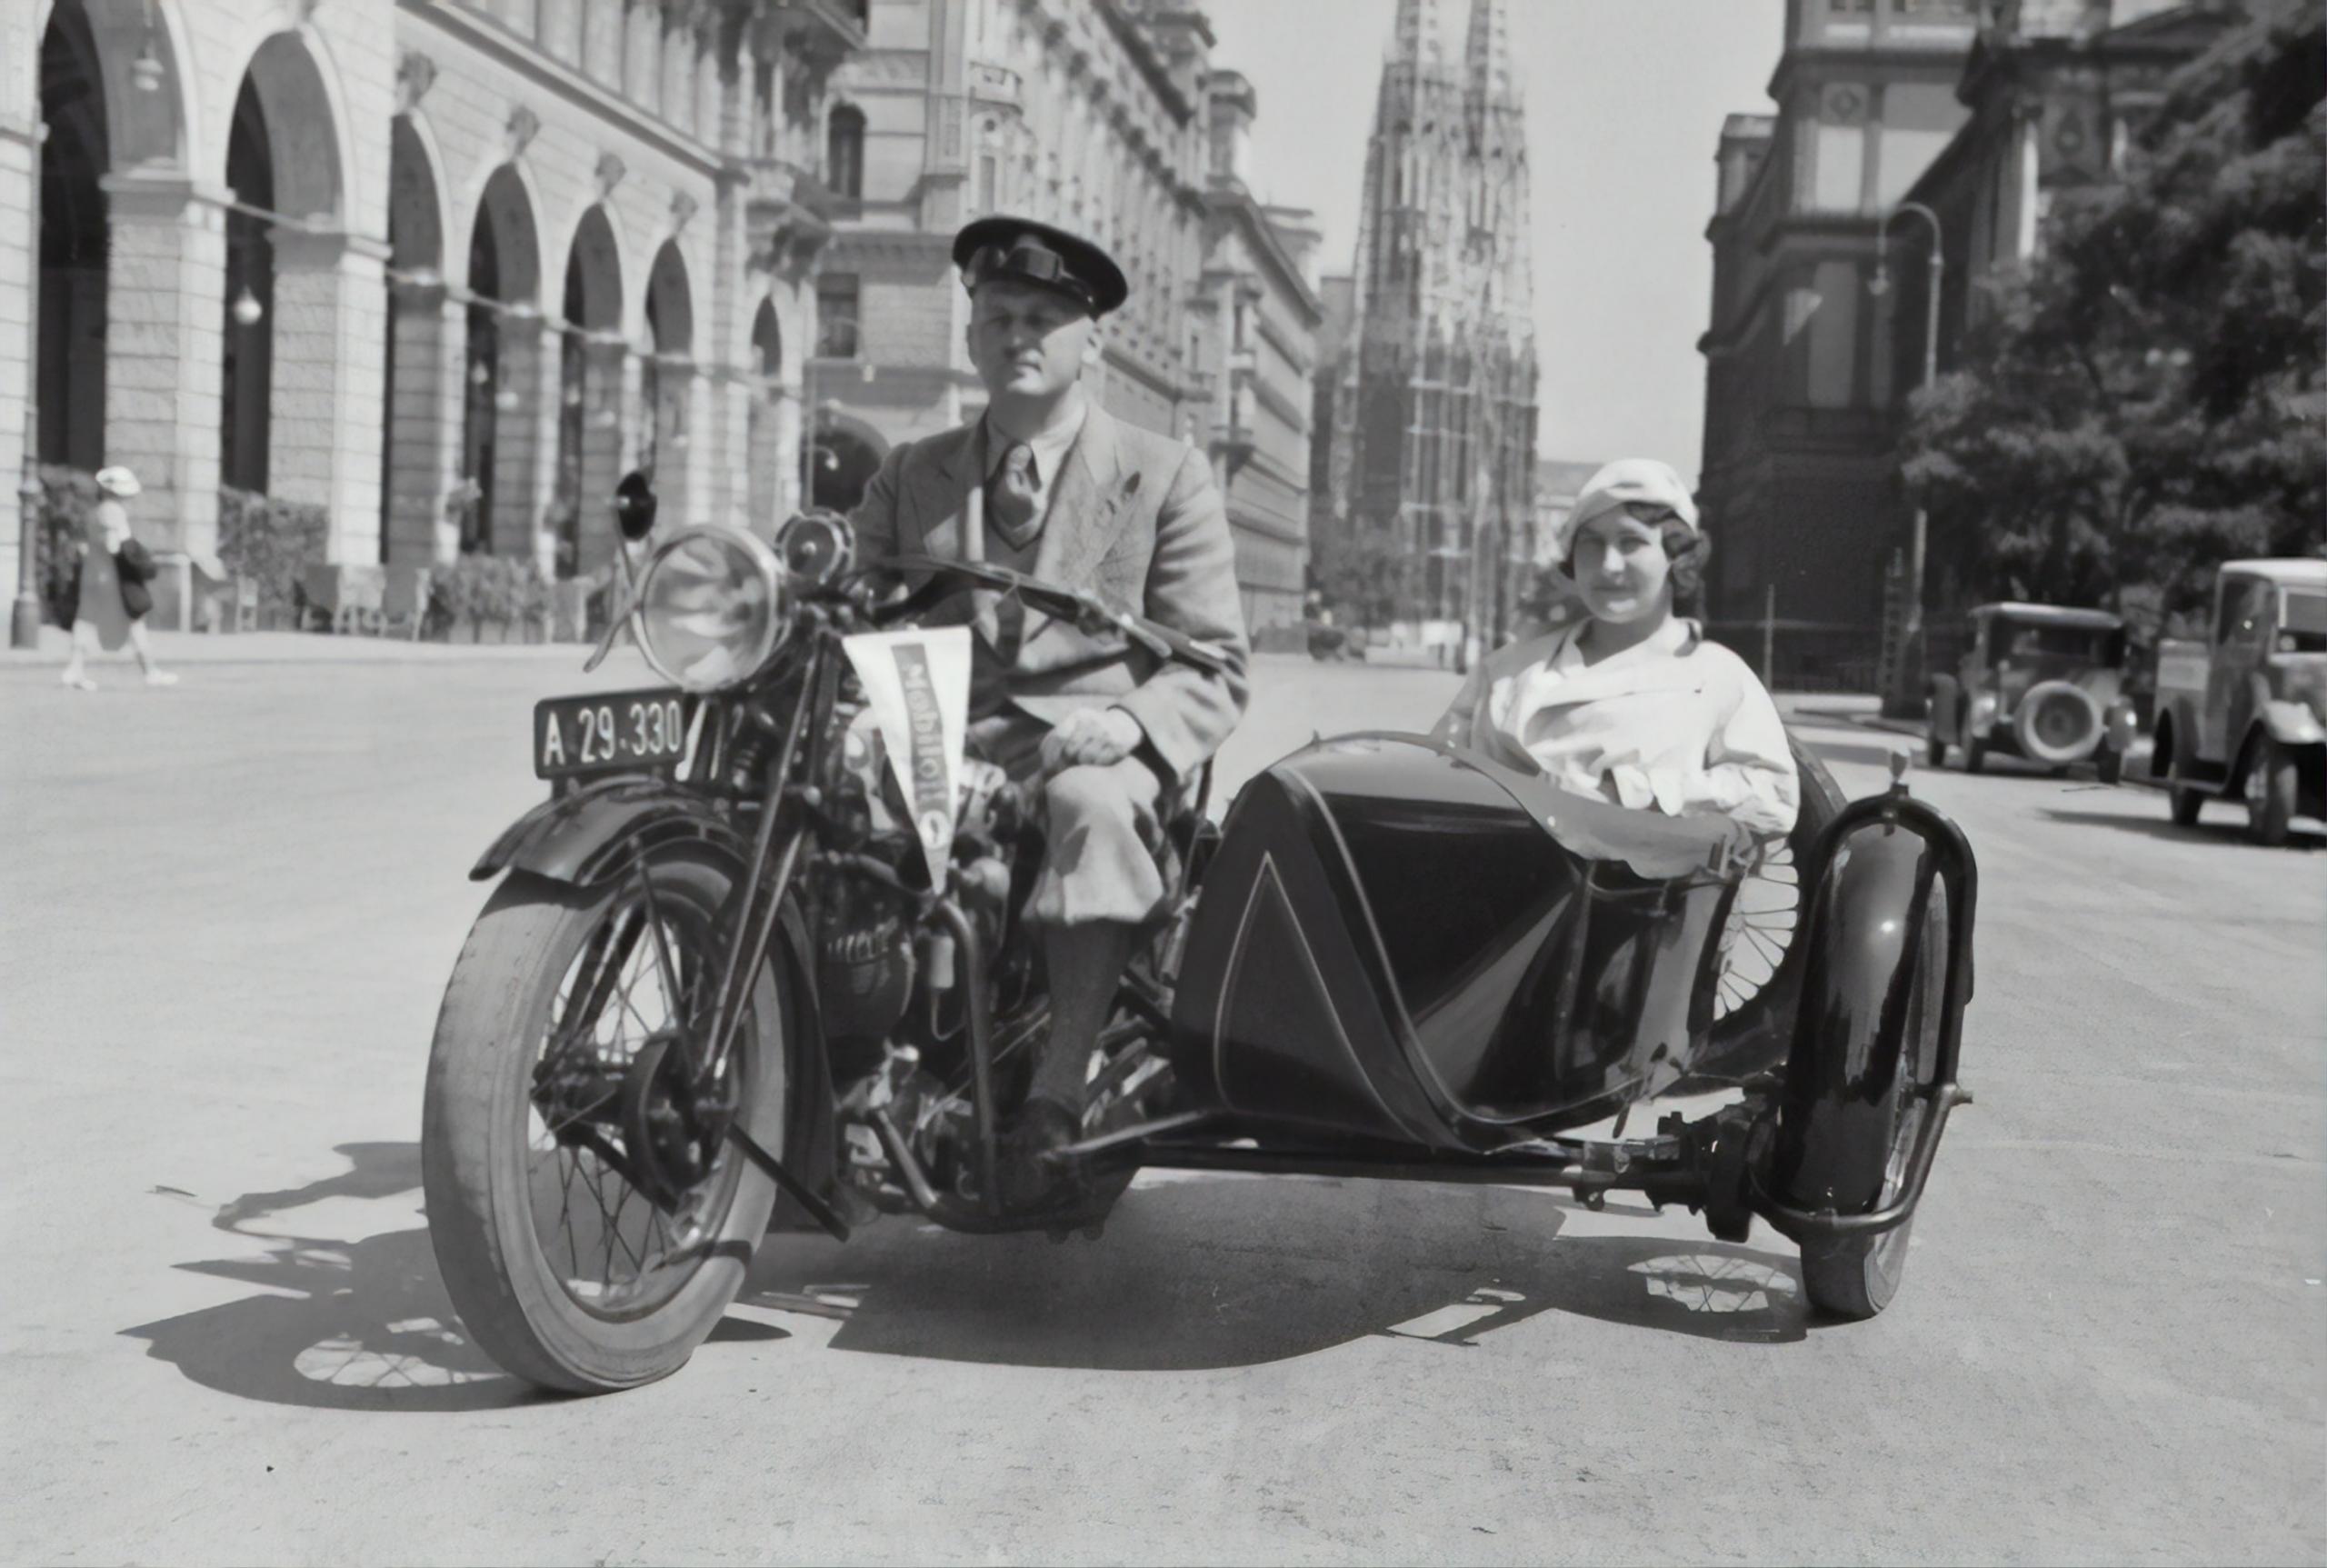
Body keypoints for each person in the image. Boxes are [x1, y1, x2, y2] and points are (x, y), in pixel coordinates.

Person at [848, 216, 1251, 1206]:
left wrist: (1130, 726)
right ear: (971, 335)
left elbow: (1216, 665)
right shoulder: (912, 471)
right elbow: (853, 608)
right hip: (942, 740)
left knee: (1088, 805)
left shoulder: (1163, 473)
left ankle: (1057, 1099)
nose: (1017, 336)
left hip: (1093, 743)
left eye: (1042, 318)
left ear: (1090, 341)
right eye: (996, 317)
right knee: (821, 814)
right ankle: (838, 1079)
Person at [1430, 458, 1795, 847]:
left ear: (1680, 557)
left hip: (1643, 895)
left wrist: (1631, 792)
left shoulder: (1716, 675)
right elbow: (1433, 773)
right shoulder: (1506, 670)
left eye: (1631, 542)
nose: (1609, 565)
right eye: (1591, 544)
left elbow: (1773, 798)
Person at [59, 465, 176, 691]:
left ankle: (74, 669)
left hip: (92, 574)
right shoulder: (114, 511)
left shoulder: (95, 511)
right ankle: (150, 671)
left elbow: (85, 545)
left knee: (85, 622)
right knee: (135, 622)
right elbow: (116, 546)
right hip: (111, 577)